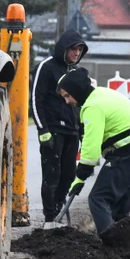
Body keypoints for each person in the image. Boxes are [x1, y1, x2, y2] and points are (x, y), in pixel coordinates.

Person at [57, 67, 130, 246]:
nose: (67, 101)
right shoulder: (102, 93)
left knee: (98, 199)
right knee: (120, 209)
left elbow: (91, 149)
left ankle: (111, 247)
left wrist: (80, 175)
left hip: (126, 153)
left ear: (77, 90)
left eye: (68, 96)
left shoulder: (92, 106)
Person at [32, 29, 88, 222]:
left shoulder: (75, 72)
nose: (76, 54)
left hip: (71, 131)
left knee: (68, 176)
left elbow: (81, 104)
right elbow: (35, 99)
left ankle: (58, 212)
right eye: (73, 49)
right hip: (53, 131)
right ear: (64, 48)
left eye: (80, 50)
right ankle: (49, 219)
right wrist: (43, 129)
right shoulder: (46, 68)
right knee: (52, 176)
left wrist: (81, 132)